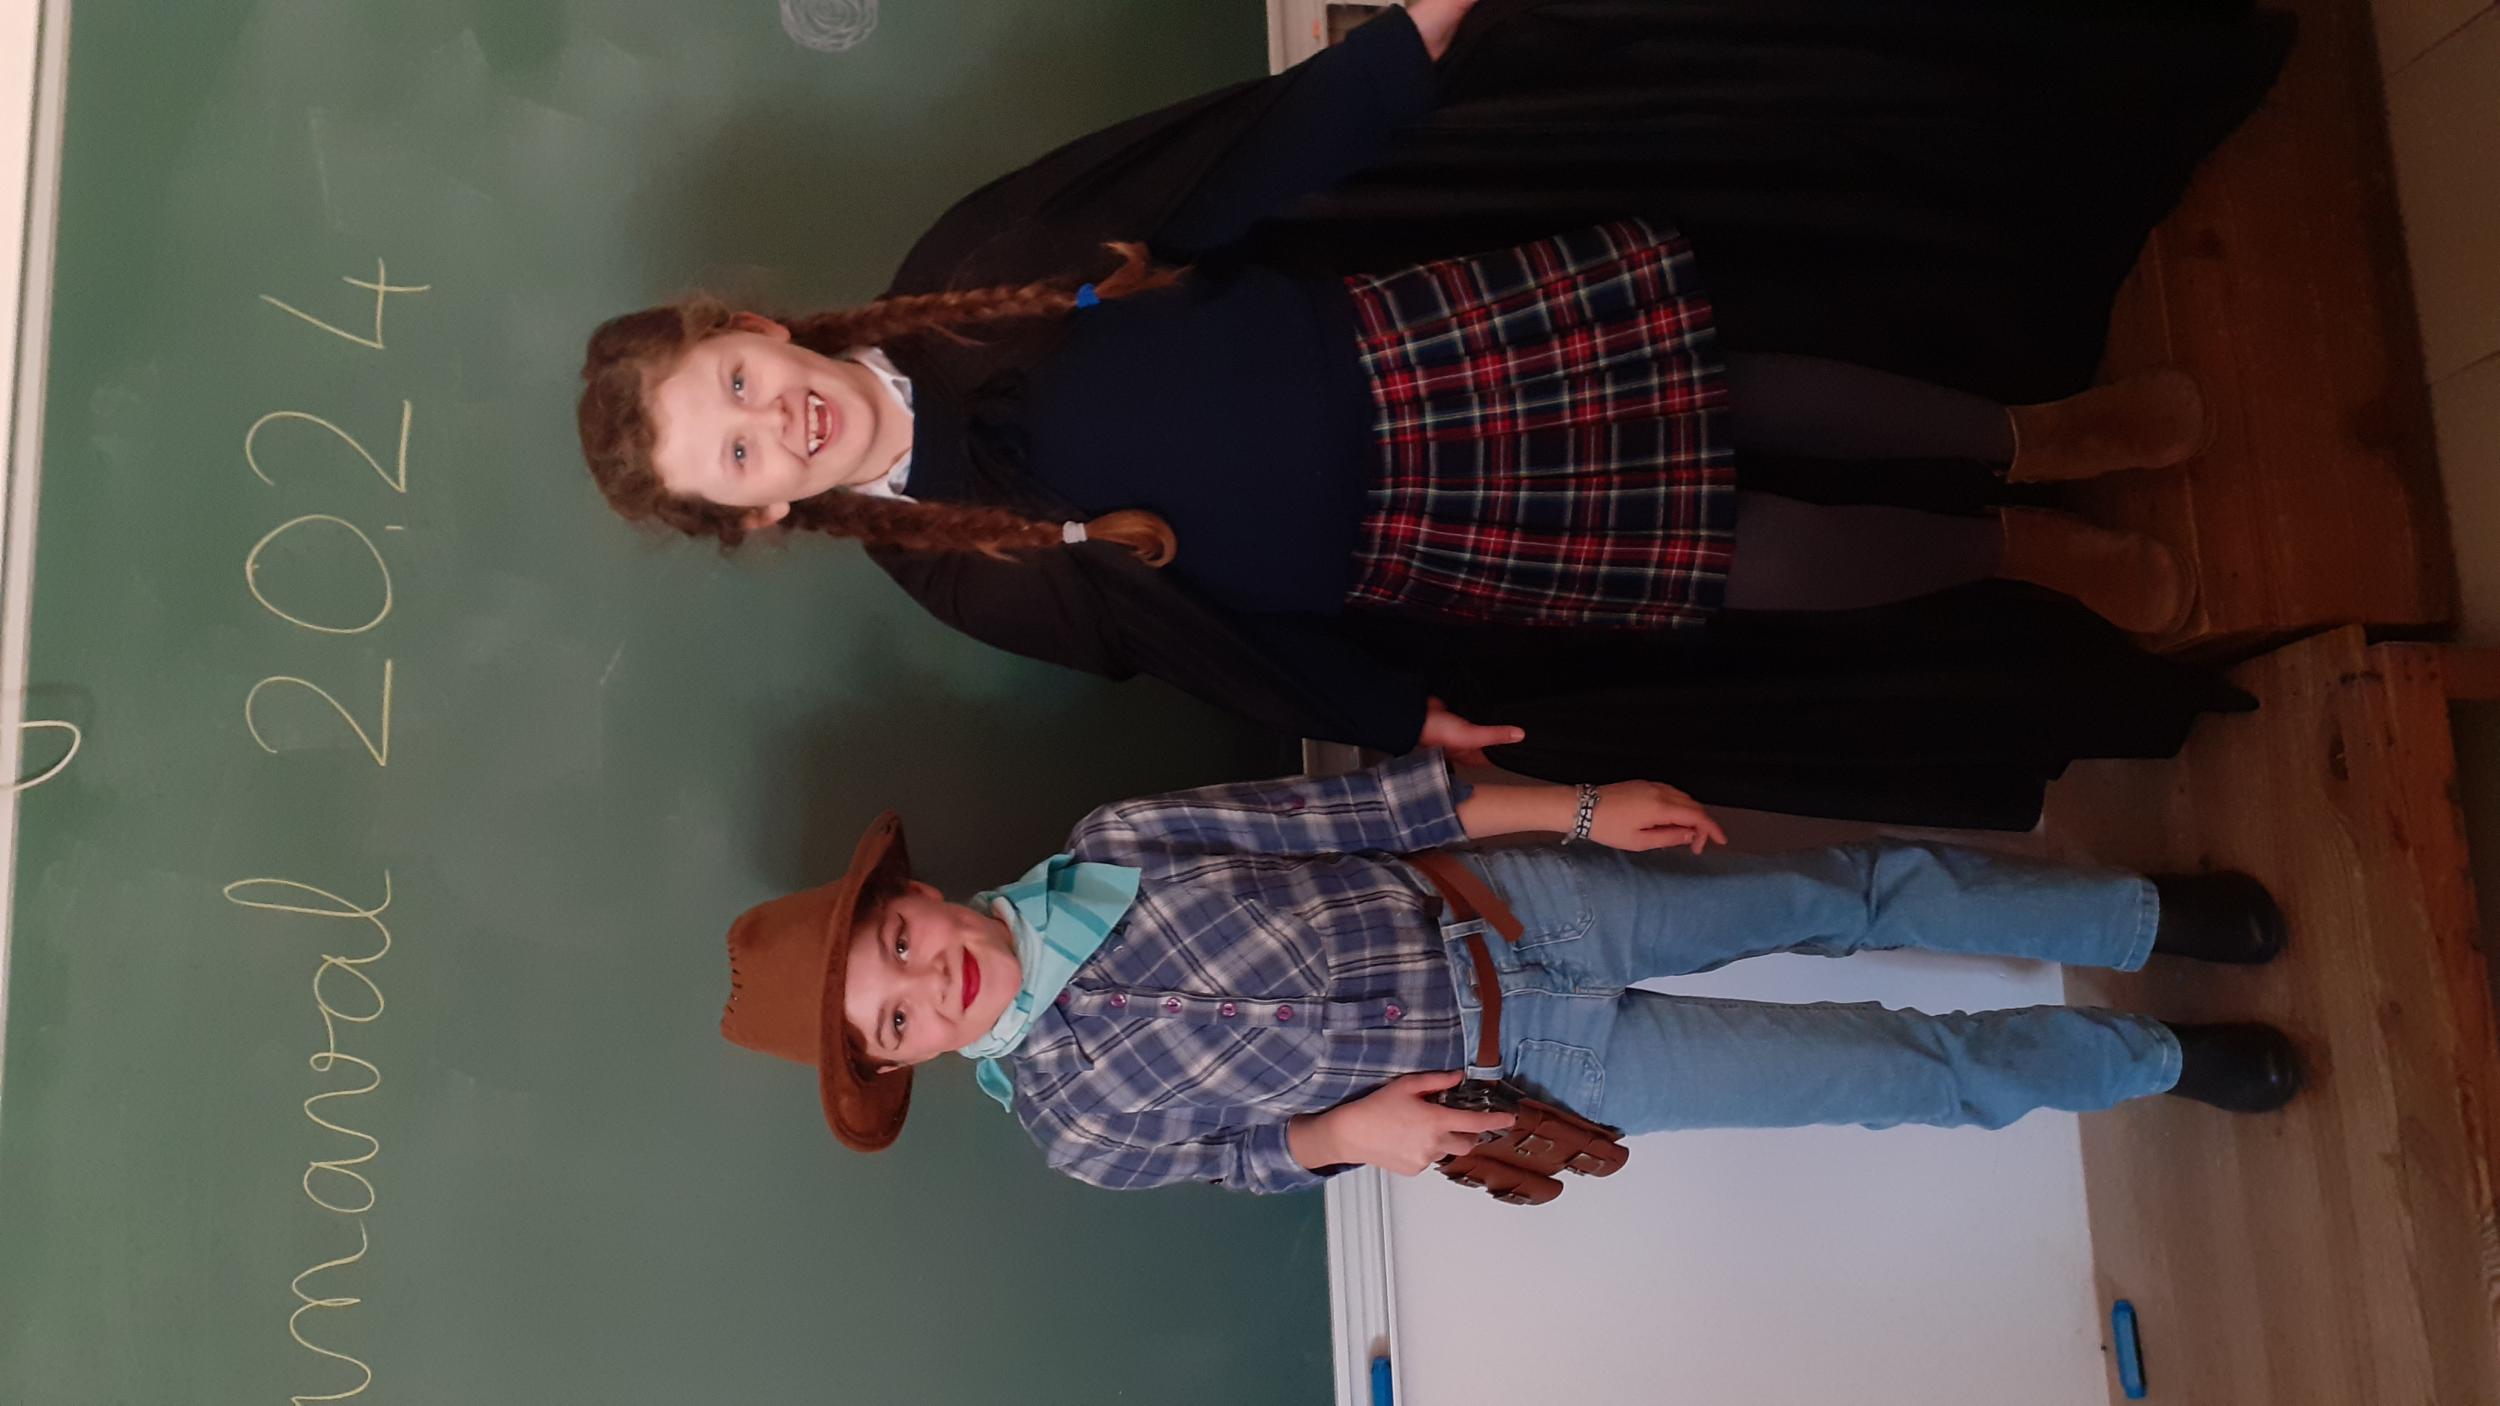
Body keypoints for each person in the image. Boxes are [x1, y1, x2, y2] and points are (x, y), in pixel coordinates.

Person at [580, 0, 2295, 828]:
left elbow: (1227, 168)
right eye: (733, 457)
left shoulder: (967, 259)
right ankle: (2031, 557)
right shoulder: (959, 575)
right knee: (1752, 557)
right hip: (1423, 534)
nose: (769, 420)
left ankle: (2041, 438)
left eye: (734, 383)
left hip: (1411, 350)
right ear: (760, 514)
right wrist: (1398, 711)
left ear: (754, 328)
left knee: (1743, 381)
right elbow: (1209, 639)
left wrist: (1405, 43)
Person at [719, 752, 2299, 1192]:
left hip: (1531, 911)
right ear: (908, 1058)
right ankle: (2161, 1062)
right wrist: (1361, 1132)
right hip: (1537, 1073)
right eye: (895, 1020)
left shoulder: (1118, 839)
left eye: (899, 943)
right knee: (1895, 1072)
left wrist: (1581, 808)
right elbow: (1250, 1157)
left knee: (1848, 891)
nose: (928, 982)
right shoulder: (1073, 1128)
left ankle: (2140, 919)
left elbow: (1351, 813)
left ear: (919, 895)